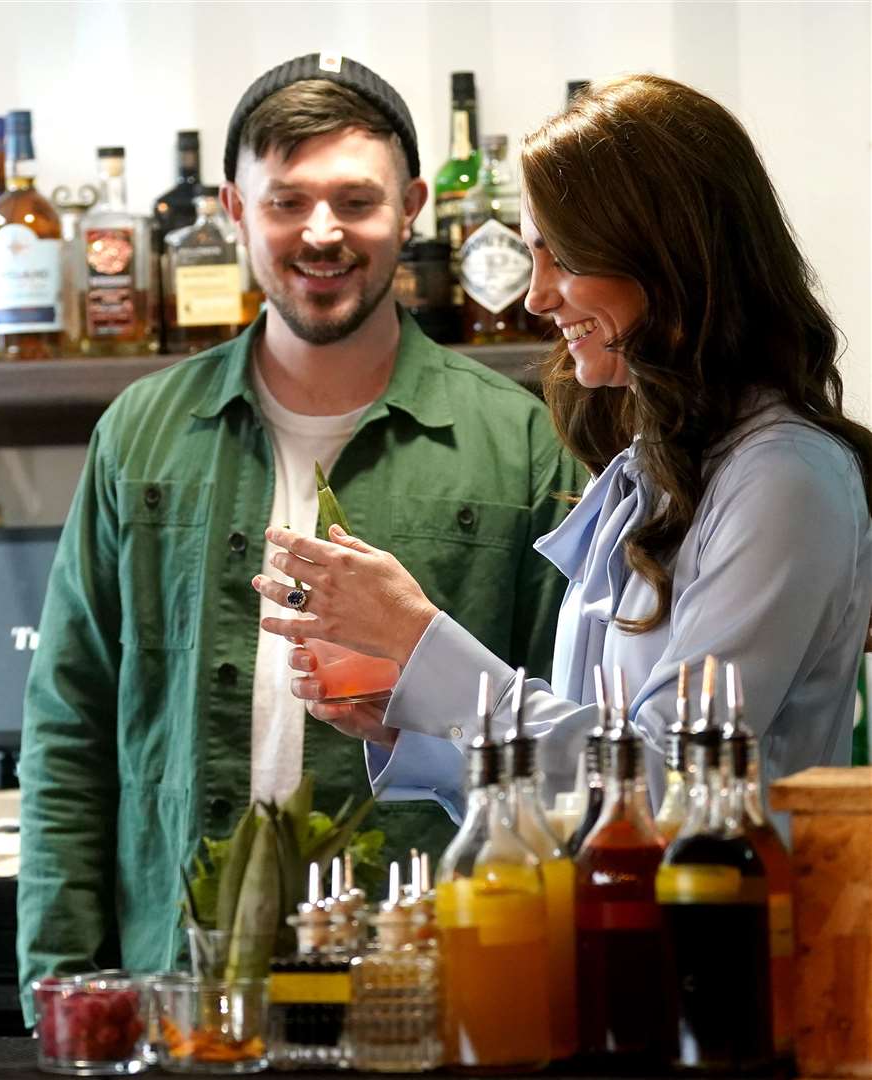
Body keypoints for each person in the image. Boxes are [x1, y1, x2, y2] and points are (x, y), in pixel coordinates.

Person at [17, 52, 581, 1011]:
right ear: (234, 213)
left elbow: (563, 727)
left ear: (409, 208)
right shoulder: (139, 435)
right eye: (286, 203)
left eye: (354, 201)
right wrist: (58, 987)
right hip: (181, 988)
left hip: (429, 985)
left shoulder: (523, 441)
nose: (321, 233)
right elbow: (69, 729)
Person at [254, 74, 872, 821]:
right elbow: (590, 779)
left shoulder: (783, 478)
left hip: (732, 931)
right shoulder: (653, 470)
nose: (536, 296)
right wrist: (406, 719)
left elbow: (670, 788)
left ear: (666, 254)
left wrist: (421, 641)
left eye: (561, 258)